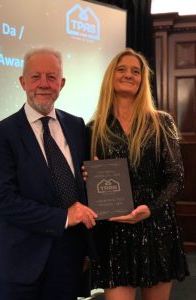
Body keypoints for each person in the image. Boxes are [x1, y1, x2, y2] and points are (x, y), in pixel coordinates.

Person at [0, 46, 97, 300]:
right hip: (19, 265)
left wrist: (91, 178)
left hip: (68, 262)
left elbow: (81, 180)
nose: (44, 84)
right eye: (36, 77)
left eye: (51, 77)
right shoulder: (1, 134)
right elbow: (3, 200)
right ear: (23, 82)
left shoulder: (77, 126)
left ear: (62, 82)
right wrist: (64, 217)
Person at [85, 48, 189, 300]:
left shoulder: (161, 122)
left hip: (156, 227)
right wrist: (87, 176)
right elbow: (88, 179)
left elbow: (176, 177)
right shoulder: (93, 128)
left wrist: (150, 208)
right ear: (111, 76)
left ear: (143, 80)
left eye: (136, 71)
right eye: (122, 69)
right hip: (115, 233)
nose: (129, 75)